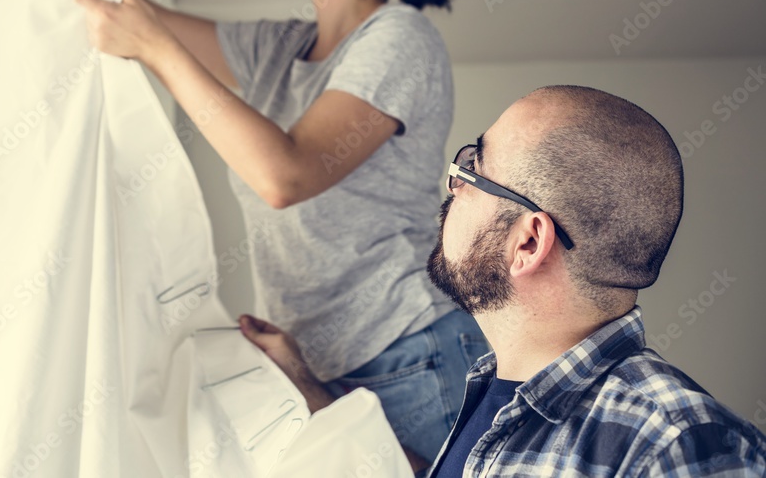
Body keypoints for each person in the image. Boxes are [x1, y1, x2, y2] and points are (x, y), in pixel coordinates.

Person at [0, 0, 485, 466]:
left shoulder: (399, 38)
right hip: (323, 367)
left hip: (411, 355)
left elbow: (285, 174)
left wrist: (156, 50)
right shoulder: (278, 51)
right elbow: (133, 7)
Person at [240, 85, 766, 476]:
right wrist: (309, 392)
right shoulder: (497, 398)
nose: (450, 185)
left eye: (473, 168)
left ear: (529, 243)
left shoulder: (679, 442)